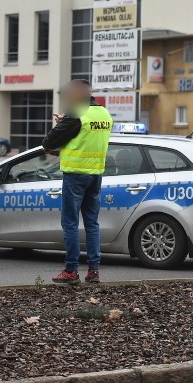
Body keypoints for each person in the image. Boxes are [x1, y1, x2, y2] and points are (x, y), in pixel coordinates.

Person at [43, 79, 113, 284]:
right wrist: (65, 123)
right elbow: (84, 136)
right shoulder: (104, 113)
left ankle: (71, 270)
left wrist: (62, 124)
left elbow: (48, 143)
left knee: (70, 223)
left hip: (75, 175)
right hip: (96, 174)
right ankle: (94, 271)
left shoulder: (76, 114)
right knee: (92, 223)